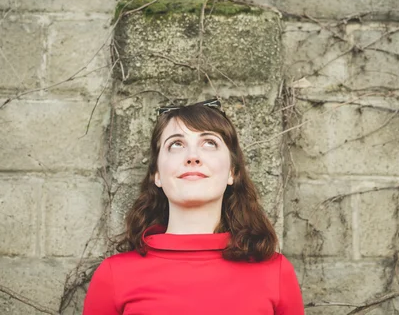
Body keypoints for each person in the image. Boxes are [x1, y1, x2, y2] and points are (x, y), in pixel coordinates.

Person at [83, 99, 304, 314]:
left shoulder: (276, 272)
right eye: (176, 144)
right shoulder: (113, 276)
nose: (192, 156)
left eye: (209, 143)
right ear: (157, 175)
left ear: (232, 172)